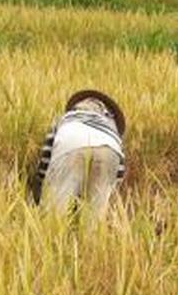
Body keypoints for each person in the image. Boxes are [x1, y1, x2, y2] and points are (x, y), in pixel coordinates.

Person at [31, 89, 127, 218]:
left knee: (55, 213)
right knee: (94, 217)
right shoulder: (111, 128)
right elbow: (118, 174)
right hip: (109, 148)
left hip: (71, 142)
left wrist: (39, 184)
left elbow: (46, 158)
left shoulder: (67, 118)